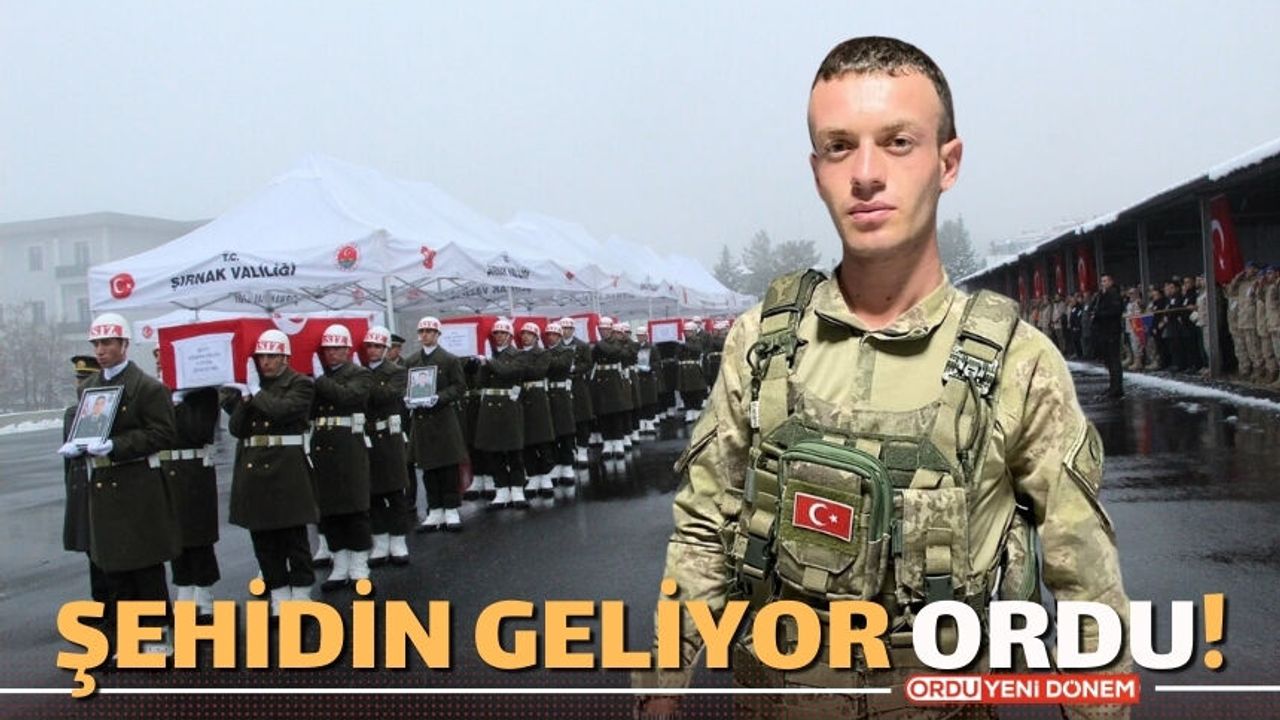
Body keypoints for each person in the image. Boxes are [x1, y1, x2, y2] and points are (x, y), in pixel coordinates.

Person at [634, 36, 1128, 719]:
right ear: (817, 171)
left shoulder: (1019, 363)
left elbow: (1086, 585)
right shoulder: (760, 345)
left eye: (898, 142)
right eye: (839, 146)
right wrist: (658, 691)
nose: (866, 174)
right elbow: (702, 531)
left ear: (947, 162)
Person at [57, 314, 180, 655]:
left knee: (145, 565)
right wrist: (79, 445)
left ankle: (157, 636)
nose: (101, 350)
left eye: (108, 343)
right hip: (103, 484)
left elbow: (163, 433)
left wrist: (117, 445)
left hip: (136, 482)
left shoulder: (148, 388)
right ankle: (128, 637)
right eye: (97, 343)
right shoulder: (90, 387)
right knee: (113, 567)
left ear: (124, 345)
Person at [222, 329, 319, 615]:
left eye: (272, 356)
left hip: (286, 466)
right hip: (253, 465)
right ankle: (278, 593)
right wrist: (243, 397)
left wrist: (255, 392)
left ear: (285, 357)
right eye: (261, 356)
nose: (265, 362)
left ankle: (301, 591)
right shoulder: (251, 386)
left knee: (293, 536)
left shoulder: (300, 383)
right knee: (263, 538)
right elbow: (236, 429)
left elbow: (282, 411)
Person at [155, 348, 222, 620]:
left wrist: (178, 403)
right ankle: (184, 587)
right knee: (175, 535)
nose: (160, 363)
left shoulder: (203, 393)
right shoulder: (156, 393)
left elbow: (198, 431)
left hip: (194, 469)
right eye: (157, 357)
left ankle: (204, 592)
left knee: (199, 535)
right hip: (166, 469)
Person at [309, 324, 374, 592]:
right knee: (329, 509)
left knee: (354, 506)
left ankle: (359, 565)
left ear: (347, 349)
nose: (332, 353)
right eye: (327, 349)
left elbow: (348, 397)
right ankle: (340, 564)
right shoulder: (318, 377)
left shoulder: (360, 374)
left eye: (337, 348)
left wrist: (319, 380)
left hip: (348, 445)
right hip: (322, 444)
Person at [405, 316, 469, 531]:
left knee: (448, 466)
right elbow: (405, 385)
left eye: (430, 331)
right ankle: (434, 509)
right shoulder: (411, 361)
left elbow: (459, 386)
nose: (425, 335)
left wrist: (439, 397)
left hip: (443, 417)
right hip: (421, 419)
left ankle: (451, 508)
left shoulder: (449, 359)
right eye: (422, 331)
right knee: (428, 467)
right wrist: (407, 398)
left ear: (438, 334)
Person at [361, 326, 412, 567]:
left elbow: (384, 396)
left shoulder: (397, 371)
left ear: (385, 349)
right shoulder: (360, 371)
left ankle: (398, 540)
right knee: (373, 492)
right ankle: (380, 541)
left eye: (378, 346)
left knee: (395, 489)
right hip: (366, 435)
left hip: (389, 436)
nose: (373, 350)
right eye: (369, 346)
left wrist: (361, 379)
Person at [62, 355, 108, 608]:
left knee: (108, 553)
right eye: (79, 379)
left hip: (104, 487)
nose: (81, 384)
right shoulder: (72, 413)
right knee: (92, 552)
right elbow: (68, 464)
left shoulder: (108, 410)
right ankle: (101, 606)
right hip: (82, 487)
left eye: (86, 379)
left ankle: (116, 609)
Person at [474, 319, 529, 509]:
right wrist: (481, 365)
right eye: (496, 333)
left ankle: (517, 489)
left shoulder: (518, 355)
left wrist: (489, 361)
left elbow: (508, 372)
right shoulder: (490, 355)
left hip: (508, 404)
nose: (498, 336)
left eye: (502, 333)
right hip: (490, 405)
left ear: (510, 336)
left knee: (514, 451)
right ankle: (502, 489)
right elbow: (480, 382)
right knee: (494, 451)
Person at [544, 323, 578, 484]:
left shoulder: (566, 351)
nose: (551, 337)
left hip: (561, 393)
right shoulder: (545, 352)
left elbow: (560, 365)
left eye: (554, 335)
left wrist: (544, 358)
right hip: (547, 392)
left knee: (565, 430)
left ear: (559, 337)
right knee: (552, 432)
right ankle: (556, 464)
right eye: (548, 335)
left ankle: (567, 464)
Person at [558, 317, 594, 466]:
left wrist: (575, 368)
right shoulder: (556, 346)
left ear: (573, 330)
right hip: (562, 385)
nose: (565, 331)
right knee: (566, 419)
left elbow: (588, 364)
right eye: (563, 328)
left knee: (581, 418)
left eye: (568, 328)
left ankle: (582, 449)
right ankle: (570, 448)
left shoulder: (582, 345)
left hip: (578, 384)